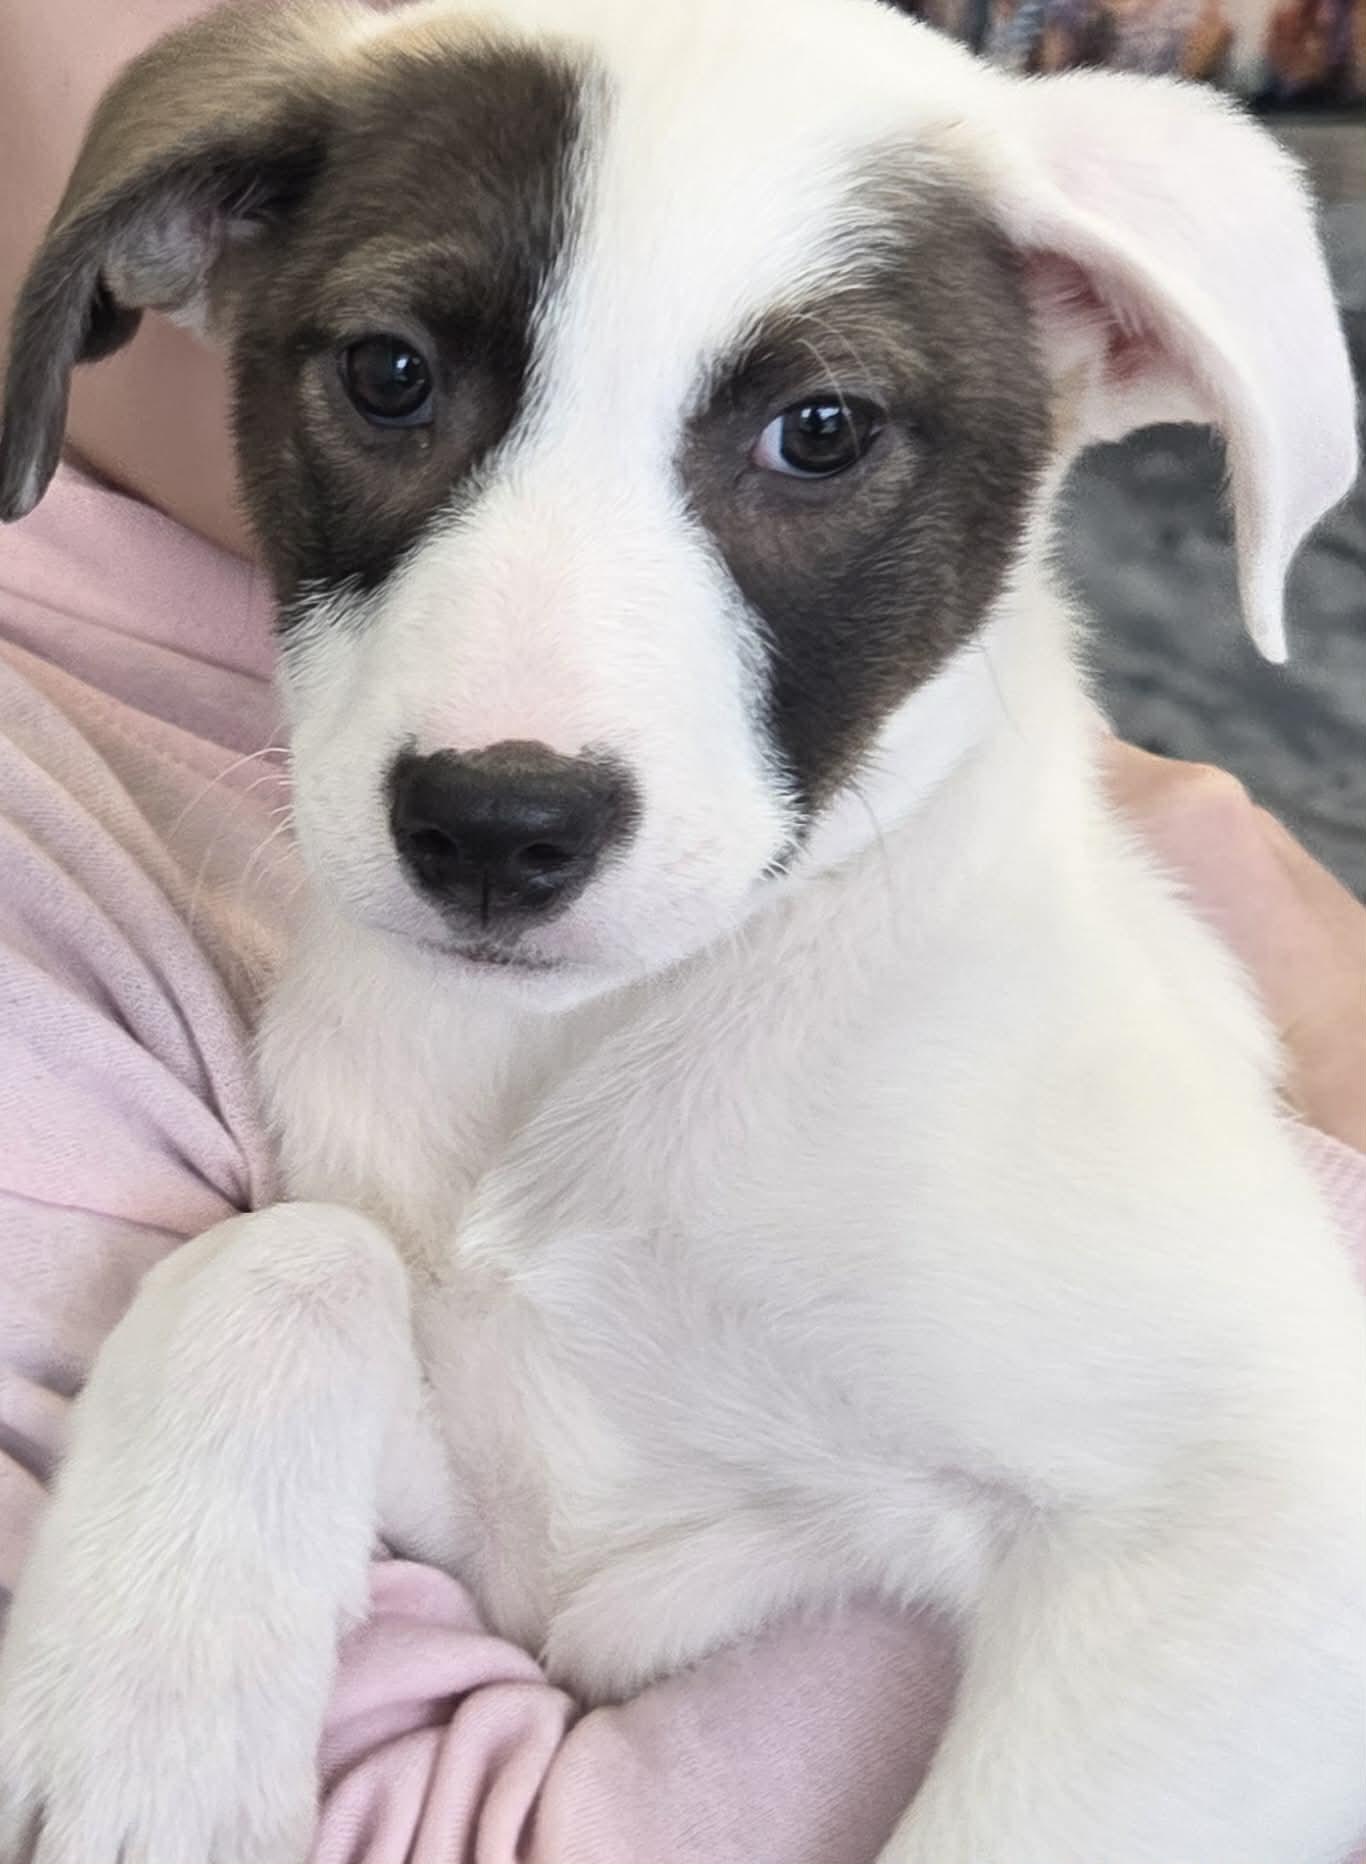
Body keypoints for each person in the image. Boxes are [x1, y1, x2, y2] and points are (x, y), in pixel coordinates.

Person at [1, 5, 1363, 1859]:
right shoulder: (88, 859)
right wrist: (256, 1344)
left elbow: (1272, 1517)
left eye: (817, 434)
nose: (517, 743)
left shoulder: (1001, 1060)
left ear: (1102, 323)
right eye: (392, 381)